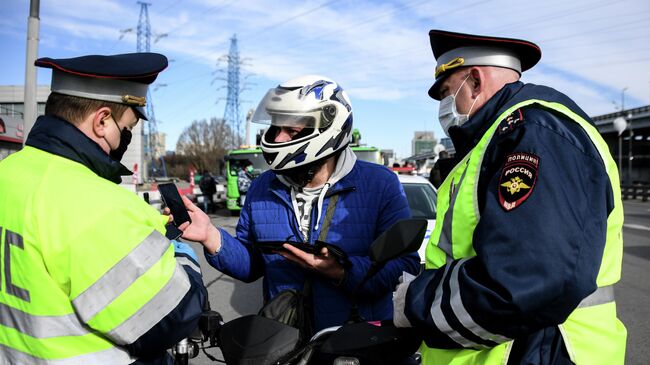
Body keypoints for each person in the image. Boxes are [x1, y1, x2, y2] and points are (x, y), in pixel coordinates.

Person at [392, 30, 626, 364]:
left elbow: (525, 279)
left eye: (446, 92)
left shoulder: (533, 133)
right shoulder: (497, 138)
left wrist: (414, 303)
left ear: (474, 80)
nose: (445, 106)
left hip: (539, 353)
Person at [0, 53, 207, 364]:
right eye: (128, 126)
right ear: (102, 121)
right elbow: (174, 315)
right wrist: (179, 253)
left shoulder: (9, 172)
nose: (127, 136)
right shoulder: (98, 204)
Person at [179, 75, 420, 332]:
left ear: (329, 128)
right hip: (284, 340)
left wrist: (342, 271)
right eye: (275, 127)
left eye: (291, 130)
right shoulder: (263, 186)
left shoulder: (380, 184)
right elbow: (253, 264)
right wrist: (212, 237)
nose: (279, 139)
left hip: (355, 340)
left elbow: (404, 266)